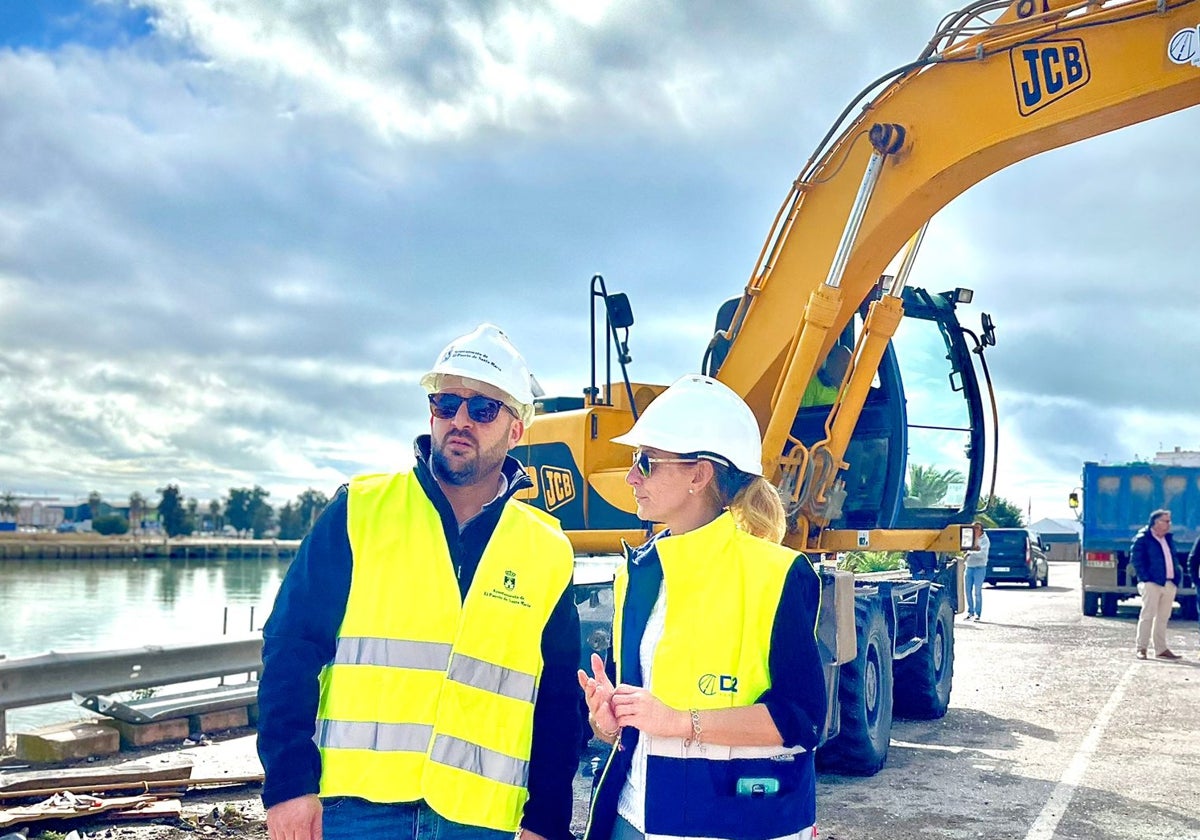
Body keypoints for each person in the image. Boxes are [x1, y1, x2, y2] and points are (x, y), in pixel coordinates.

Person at [256, 324, 583, 840]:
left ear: (516, 429)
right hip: (352, 811)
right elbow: (290, 648)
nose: (459, 421)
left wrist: (546, 821)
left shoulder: (546, 549)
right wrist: (289, 786)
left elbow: (560, 698)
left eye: (482, 410)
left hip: (481, 819)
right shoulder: (361, 510)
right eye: (445, 403)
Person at [578, 374, 827, 840]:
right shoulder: (639, 573)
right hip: (634, 818)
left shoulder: (777, 573)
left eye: (646, 462)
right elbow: (644, 715)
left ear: (699, 474)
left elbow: (804, 719)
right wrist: (611, 722)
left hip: (735, 825)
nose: (631, 476)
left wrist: (677, 721)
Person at [1130, 509, 1182, 660]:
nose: (1169, 524)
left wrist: (1175, 578)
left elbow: (1173, 558)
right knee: (1147, 615)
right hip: (1152, 583)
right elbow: (1137, 561)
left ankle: (1161, 649)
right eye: (1166, 521)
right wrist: (1146, 579)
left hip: (1169, 583)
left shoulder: (1168, 539)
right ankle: (1141, 648)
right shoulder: (1143, 538)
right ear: (1156, 522)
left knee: (1163, 617)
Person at [799, 344, 851, 408]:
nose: (847, 366)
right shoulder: (813, 383)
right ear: (830, 360)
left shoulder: (849, 389)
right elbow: (804, 414)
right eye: (843, 361)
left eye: (849, 363)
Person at [962, 521, 989, 621]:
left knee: (977, 591)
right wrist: (971, 551)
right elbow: (964, 549)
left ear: (981, 529)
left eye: (977, 528)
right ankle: (970, 612)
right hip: (969, 567)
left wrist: (970, 553)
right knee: (967, 591)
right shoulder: (969, 538)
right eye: (974, 528)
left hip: (980, 568)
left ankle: (978, 613)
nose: (975, 530)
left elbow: (982, 554)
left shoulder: (985, 540)